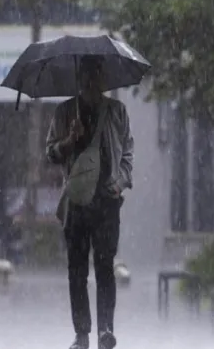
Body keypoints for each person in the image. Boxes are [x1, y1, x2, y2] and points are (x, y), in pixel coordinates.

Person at [45, 55, 134, 349]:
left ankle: (106, 329)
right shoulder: (65, 112)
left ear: (102, 78)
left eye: (96, 74)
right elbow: (51, 154)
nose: (91, 81)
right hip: (77, 203)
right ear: (79, 78)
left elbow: (127, 154)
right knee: (77, 270)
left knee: (105, 267)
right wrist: (70, 140)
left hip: (107, 202)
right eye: (86, 75)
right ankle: (82, 333)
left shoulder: (117, 111)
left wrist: (120, 183)